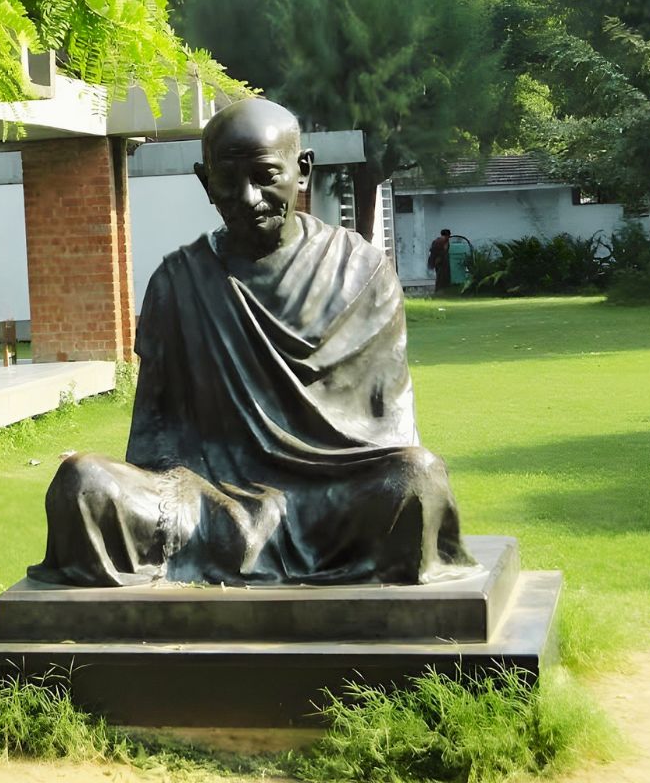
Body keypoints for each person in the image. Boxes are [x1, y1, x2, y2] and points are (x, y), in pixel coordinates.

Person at [27, 98, 475, 588]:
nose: (248, 197)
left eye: (265, 175)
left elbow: (388, 434)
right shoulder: (178, 282)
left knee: (419, 478)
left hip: (334, 499)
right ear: (205, 180)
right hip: (208, 505)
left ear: (301, 171)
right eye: (228, 179)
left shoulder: (361, 273)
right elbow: (154, 443)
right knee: (83, 484)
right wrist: (191, 501)